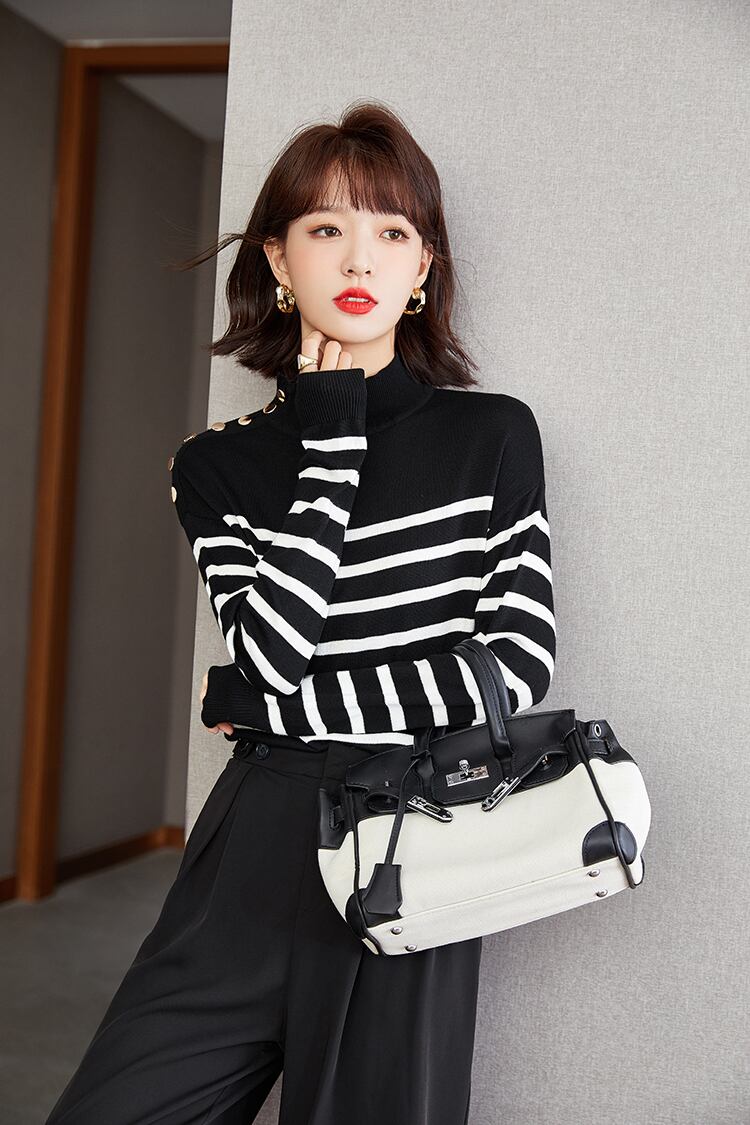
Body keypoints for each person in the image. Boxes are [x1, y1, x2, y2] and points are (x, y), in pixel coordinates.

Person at [45, 100, 556, 1124]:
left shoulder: (492, 436)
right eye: (327, 227)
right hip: (257, 839)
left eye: (392, 232)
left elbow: (513, 666)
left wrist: (266, 705)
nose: (359, 257)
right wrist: (330, 452)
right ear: (279, 259)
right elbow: (273, 653)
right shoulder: (215, 465)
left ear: (423, 268)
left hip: (415, 837)